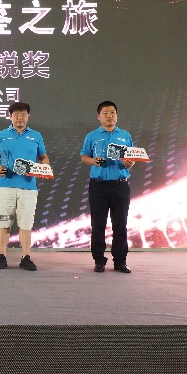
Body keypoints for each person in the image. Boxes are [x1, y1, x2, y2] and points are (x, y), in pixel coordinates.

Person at [0, 102, 49, 271]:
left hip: (28, 187)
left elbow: (43, 157)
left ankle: (26, 257)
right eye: (16, 114)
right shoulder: (1, 135)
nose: (20, 118)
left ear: (28, 116)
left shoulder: (36, 136)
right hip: (5, 185)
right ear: (10, 116)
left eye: (23, 114)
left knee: (26, 224)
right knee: (3, 223)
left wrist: (44, 168)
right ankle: (2, 256)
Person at [80, 101, 136, 273]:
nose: (109, 116)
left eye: (112, 112)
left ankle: (120, 261)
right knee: (98, 224)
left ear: (116, 115)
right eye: (105, 113)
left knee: (120, 224)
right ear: (99, 116)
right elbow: (84, 156)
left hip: (120, 185)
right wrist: (93, 161)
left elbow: (132, 157)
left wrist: (130, 163)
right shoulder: (92, 136)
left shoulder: (125, 135)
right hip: (98, 186)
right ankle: (99, 260)